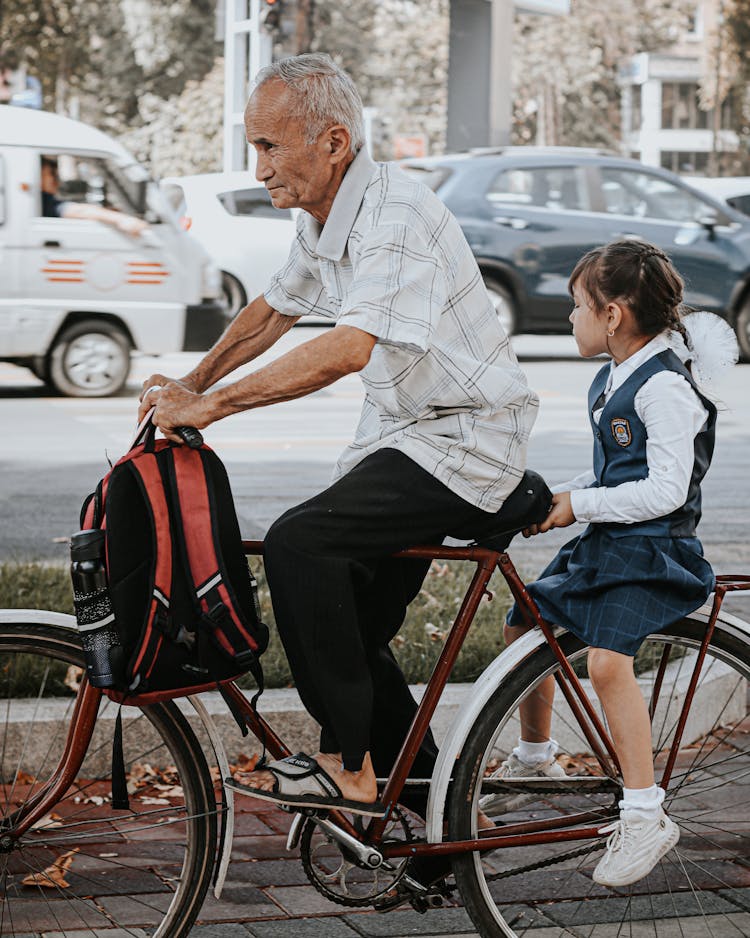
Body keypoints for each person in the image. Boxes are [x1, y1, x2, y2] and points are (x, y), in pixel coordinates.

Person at [137, 53, 539, 824]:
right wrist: (191, 385)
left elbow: (348, 348)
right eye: (254, 146)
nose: (258, 167)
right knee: (348, 629)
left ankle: (348, 766)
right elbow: (273, 310)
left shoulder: (394, 213)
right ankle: (440, 812)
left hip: (466, 438)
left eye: (269, 146)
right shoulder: (323, 215)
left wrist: (213, 407)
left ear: (332, 141)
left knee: (302, 545)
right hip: (406, 433)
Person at [481, 239, 720, 888]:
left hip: (654, 552)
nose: (570, 317)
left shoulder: (666, 386)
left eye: (577, 306)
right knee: (521, 622)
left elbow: (667, 490)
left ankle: (645, 812)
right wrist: (567, 499)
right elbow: (622, 471)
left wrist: (580, 503)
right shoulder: (613, 376)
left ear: (612, 315)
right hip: (612, 544)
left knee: (609, 661)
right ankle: (536, 758)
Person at [40, 156, 149, 237]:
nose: (57, 181)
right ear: (39, 175)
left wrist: (108, 213)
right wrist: (122, 219)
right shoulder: (41, 200)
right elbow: (76, 211)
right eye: (52, 175)